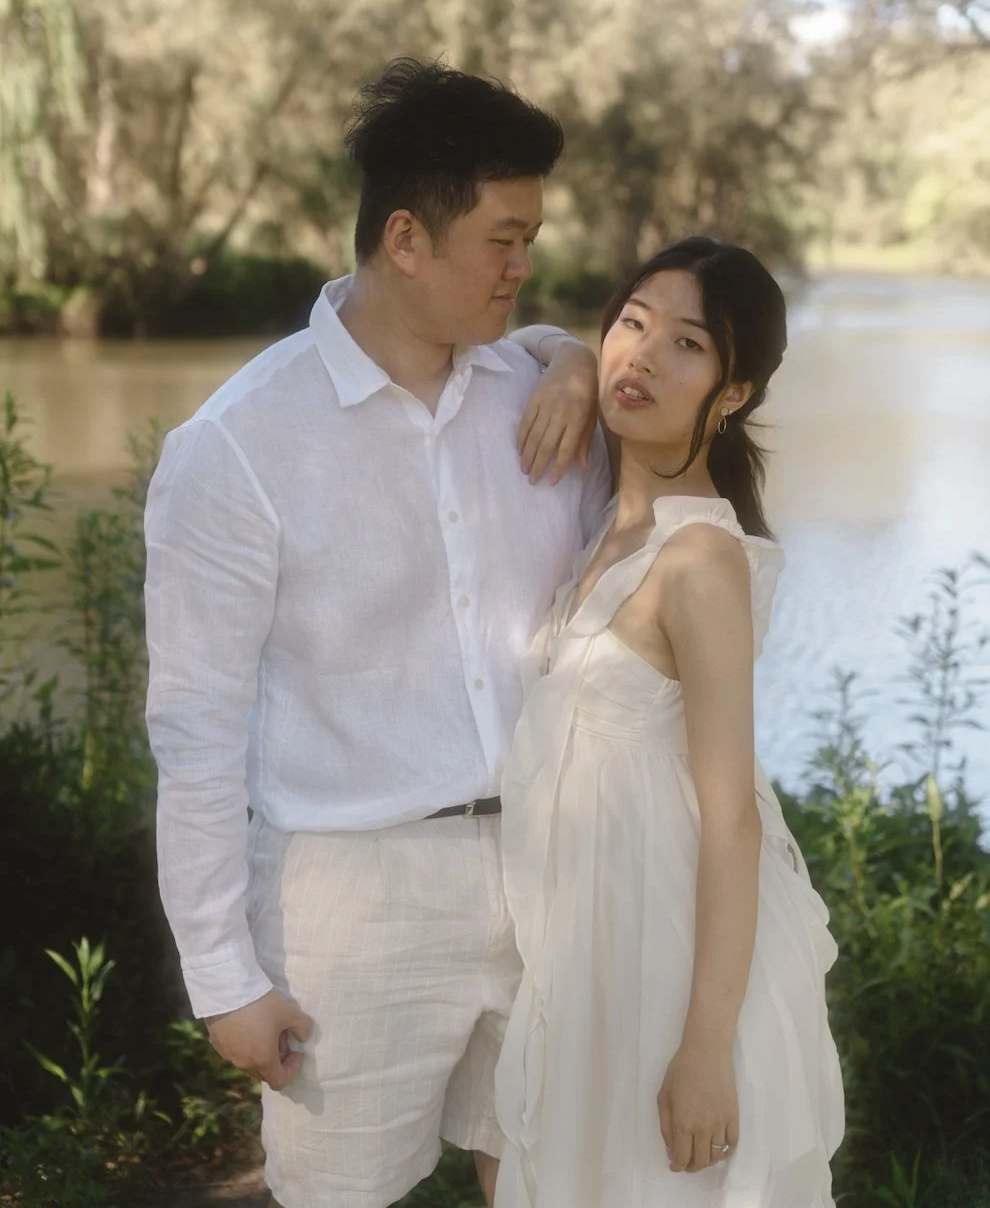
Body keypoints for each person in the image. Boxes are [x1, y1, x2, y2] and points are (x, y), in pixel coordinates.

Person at [144, 58, 612, 1208]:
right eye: (503, 239)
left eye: (532, 240)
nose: (524, 266)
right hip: (351, 897)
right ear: (406, 238)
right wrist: (222, 976)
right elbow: (195, 728)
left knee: (556, 1184)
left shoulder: (539, 393)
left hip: (553, 874)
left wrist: (579, 354)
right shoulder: (239, 446)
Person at [493, 237, 845, 1208]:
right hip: (591, 938)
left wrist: (704, 1050)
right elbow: (516, 339)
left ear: (731, 393)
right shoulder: (608, 518)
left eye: (686, 344)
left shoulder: (698, 560)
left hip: (672, 953)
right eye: (632, 323)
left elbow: (732, 814)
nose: (640, 357)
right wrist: (572, 362)